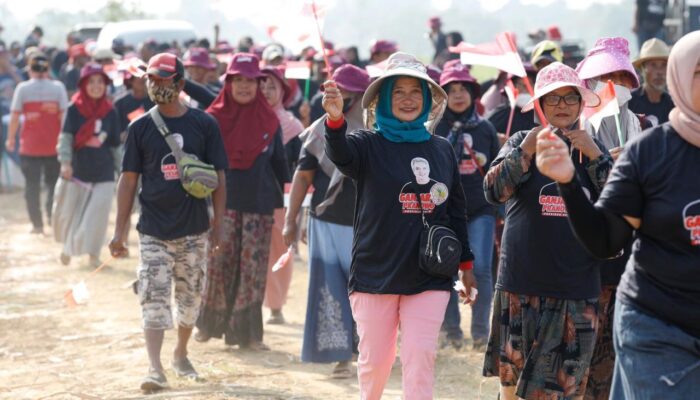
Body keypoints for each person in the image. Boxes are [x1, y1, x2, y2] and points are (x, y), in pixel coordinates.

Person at [535, 30, 700, 400]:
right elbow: (605, 240)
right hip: (659, 326)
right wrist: (567, 183)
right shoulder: (651, 151)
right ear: (680, 77)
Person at [323, 52, 477, 400]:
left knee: (420, 356)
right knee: (375, 362)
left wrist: (466, 266)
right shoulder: (366, 144)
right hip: (375, 272)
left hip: (430, 273)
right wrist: (334, 121)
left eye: (415, 92)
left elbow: (456, 209)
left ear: (426, 100)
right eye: (398, 92)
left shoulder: (441, 149)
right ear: (382, 100)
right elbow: (341, 156)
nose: (408, 99)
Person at [482, 62, 613, 400]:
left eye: (570, 98)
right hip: (520, 286)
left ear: (581, 103)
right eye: (552, 99)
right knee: (512, 388)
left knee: (564, 389)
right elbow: (493, 191)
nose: (562, 106)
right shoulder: (520, 143)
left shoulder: (592, 150)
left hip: (577, 290)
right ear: (539, 104)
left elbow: (620, 203)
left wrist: (597, 155)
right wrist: (525, 150)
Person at [108, 52, 228, 391]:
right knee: (153, 295)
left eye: (164, 79)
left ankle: (180, 353)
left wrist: (218, 225)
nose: (157, 85)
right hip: (153, 231)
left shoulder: (204, 125)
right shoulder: (139, 127)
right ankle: (154, 367)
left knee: (190, 300)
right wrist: (119, 233)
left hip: (194, 230)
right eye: (152, 79)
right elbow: (128, 180)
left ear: (179, 83)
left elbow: (219, 177)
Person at [195, 53, 290, 350]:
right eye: (239, 80)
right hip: (222, 205)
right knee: (219, 263)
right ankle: (209, 326)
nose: (246, 87)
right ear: (229, 83)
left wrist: (287, 205)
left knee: (252, 272)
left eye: (251, 81)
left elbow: (281, 166)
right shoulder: (212, 119)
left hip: (259, 207)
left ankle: (248, 335)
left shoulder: (270, 120)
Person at [284, 64, 369, 379]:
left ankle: (369, 352)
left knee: (366, 291)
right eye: (339, 89)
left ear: (362, 95)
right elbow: (303, 175)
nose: (344, 96)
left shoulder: (375, 131)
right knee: (330, 289)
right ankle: (341, 357)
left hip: (367, 224)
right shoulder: (319, 130)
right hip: (326, 220)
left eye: (350, 91)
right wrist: (290, 220)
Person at [435, 60, 499, 351]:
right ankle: (451, 331)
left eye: (464, 88)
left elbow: (498, 171)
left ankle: (480, 332)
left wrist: (500, 209)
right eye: (452, 89)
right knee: (445, 270)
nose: (458, 94)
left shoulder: (486, 129)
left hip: (480, 210)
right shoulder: (434, 127)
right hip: (444, 211)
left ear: (474, 93)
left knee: (483, 269)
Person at [53, 63, 120, 267]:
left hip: (105, 172)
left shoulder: (111, 111)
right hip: (78, 170)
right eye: (91, 82)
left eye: (100, 82)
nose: (96, 86)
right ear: (83, 84)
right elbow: (65, 138)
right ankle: (68, 249)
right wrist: (65, 163)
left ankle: (93, 254)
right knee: (74, 213)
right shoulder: (74, 109)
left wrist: (124, 171)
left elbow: (115, 145)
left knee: (97, 216)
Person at [259, 66, 304, 325]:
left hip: (280, 200)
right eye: (262, 86)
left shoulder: (292, 126)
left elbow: (301, 166)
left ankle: (276, 306)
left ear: (282, 91)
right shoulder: (245, 121)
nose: (266, 92)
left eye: (271, 87)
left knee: (279, 251)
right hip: (249, 197)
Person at [5, 52, 68, 234]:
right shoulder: (58, 88)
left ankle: (37, 225)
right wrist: (65, 142)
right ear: (48, 69)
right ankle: (51, 217)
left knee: (31, 187)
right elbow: (64, 117)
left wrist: (10, 139)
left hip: (29, 147)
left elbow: (15, 117)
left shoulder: (23, 89)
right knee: (53, 185)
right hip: (53, 146)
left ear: (30, 70)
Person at [578, 37, 645, 160]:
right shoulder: (577, 130)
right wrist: (604, 160)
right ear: (592, 81)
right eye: (608, 75)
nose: (618, 81)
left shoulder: (643, 125)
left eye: (624, 75)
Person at [629, 38, 674, 125]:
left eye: (664, 65)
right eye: (653, 65)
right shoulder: (630, 102)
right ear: (642, 69)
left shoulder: (673, 105)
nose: (659, 72)